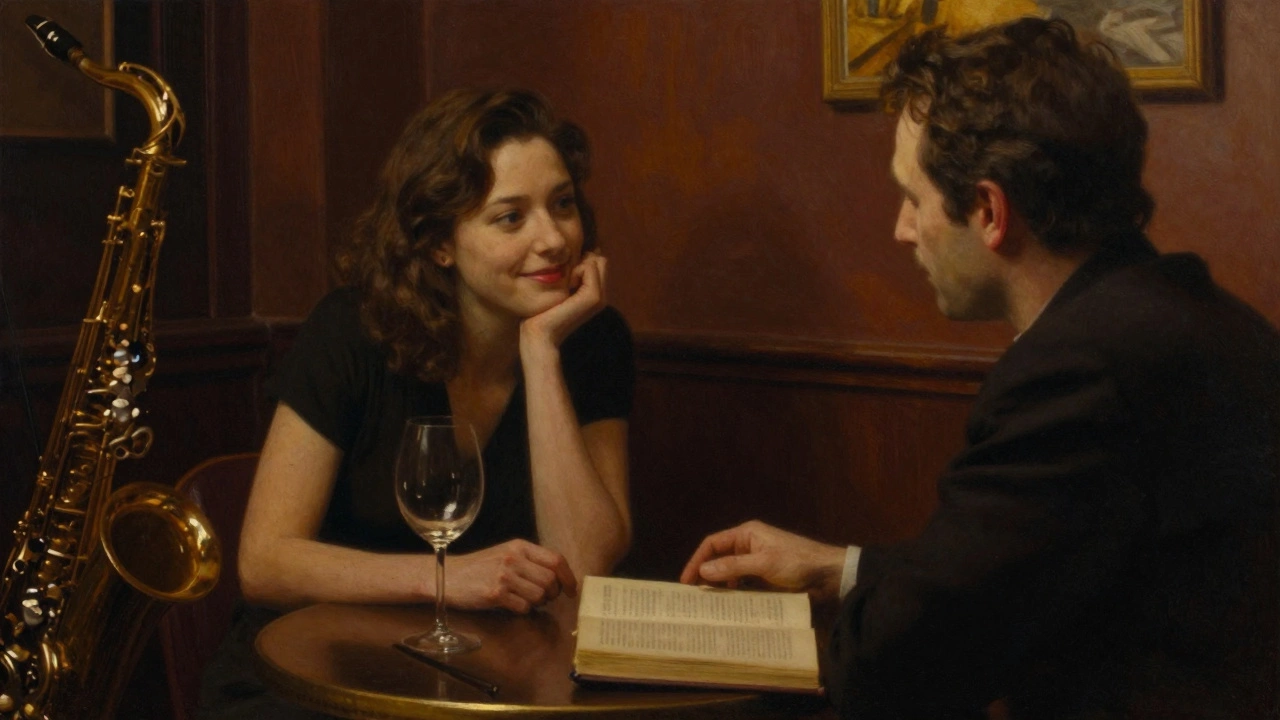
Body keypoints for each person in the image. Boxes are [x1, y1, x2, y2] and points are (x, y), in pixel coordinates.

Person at [682, 17, 1280, 720]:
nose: (902, 230)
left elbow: (898, 669)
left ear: (991, 211)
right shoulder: (1186, 315)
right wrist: (843, 569)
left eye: (913, 198)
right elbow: (1022, 574)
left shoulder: (1078, 372)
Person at [198, 88, 634, 719]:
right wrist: (445, 579)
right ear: (440, 244)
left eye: (562, 205)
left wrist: (541, 354)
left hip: (483, 678)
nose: (554, 239)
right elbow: (265, 561)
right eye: (511, 217)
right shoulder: (350, 332)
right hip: (316, 676)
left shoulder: (592, 340)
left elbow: (588, 566)